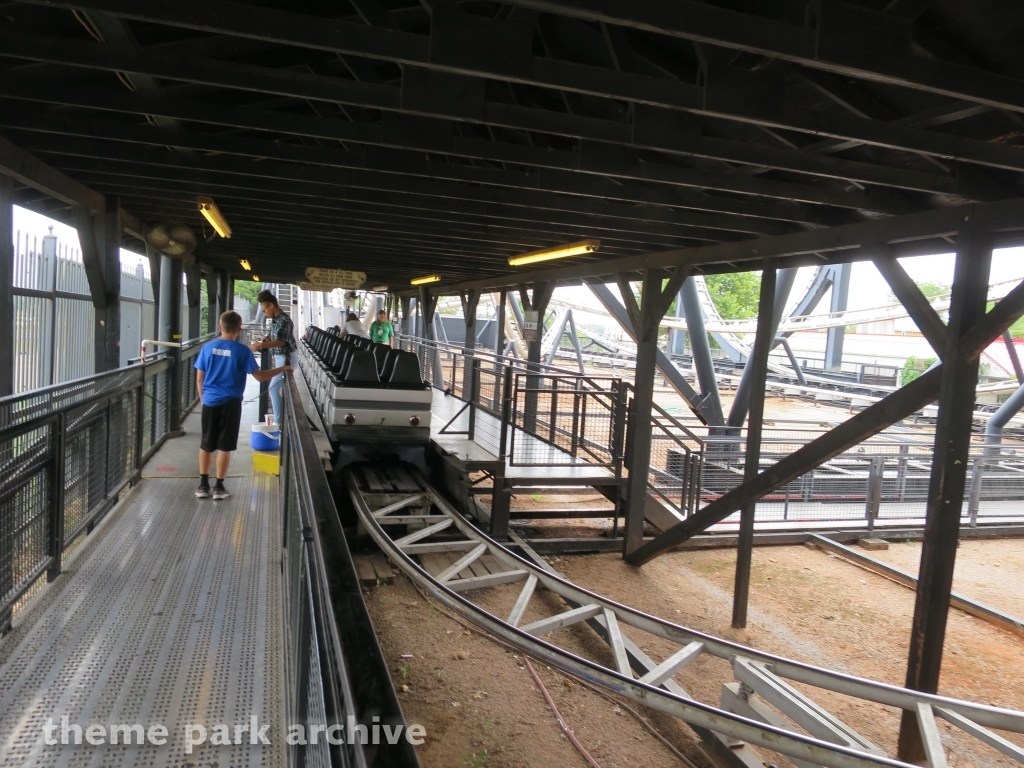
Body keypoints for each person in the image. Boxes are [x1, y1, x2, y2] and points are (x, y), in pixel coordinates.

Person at [195, 310, 292, 500]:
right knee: (224, 445)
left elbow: (200, 379)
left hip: (210, 401)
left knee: (206, 444)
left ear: (219, 327)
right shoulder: (242, 351)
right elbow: (260, 376)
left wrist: (203, 399)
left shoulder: (207, 348)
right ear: (239, 330)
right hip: (231, 402)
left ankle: (203, 485)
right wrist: (283, 368)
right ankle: (219, 488)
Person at [250, 289, 296, 425]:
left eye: (264, 310)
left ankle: (278, 423)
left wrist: (260, 346)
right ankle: (280, 419)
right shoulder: (276, 320)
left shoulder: (285, 320)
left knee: (273, 388)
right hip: (281, 358)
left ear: (271, 305)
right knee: (275, 388)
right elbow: (273, 336)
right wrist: (266, 339)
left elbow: (281, 341)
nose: (264, 313)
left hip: (287, 358)